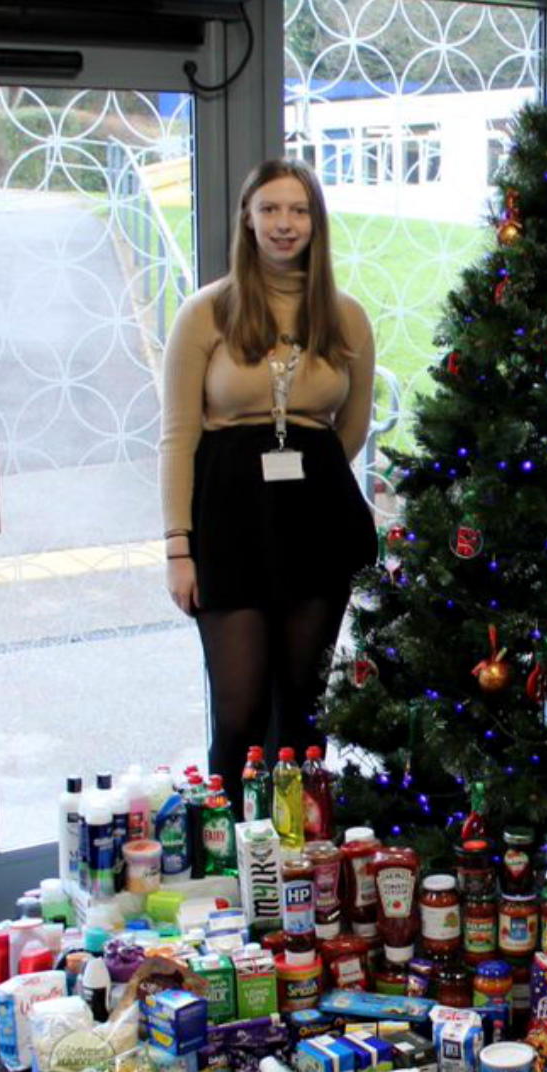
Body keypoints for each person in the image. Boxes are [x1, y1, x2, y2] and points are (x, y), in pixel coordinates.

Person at [159, 158, 376, 791]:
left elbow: (351, 429)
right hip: (229, 523)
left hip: (316, 524)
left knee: (304, 708)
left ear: (317, 223)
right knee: (240, 711)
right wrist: (178, 548)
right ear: (248, 222)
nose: (285, 225)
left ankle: (298, 862)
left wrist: (309, 475)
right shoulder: (207, 314)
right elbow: (177, 438)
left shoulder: (346, 316)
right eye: (271, 210)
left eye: (299, 210)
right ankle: (226, 858)